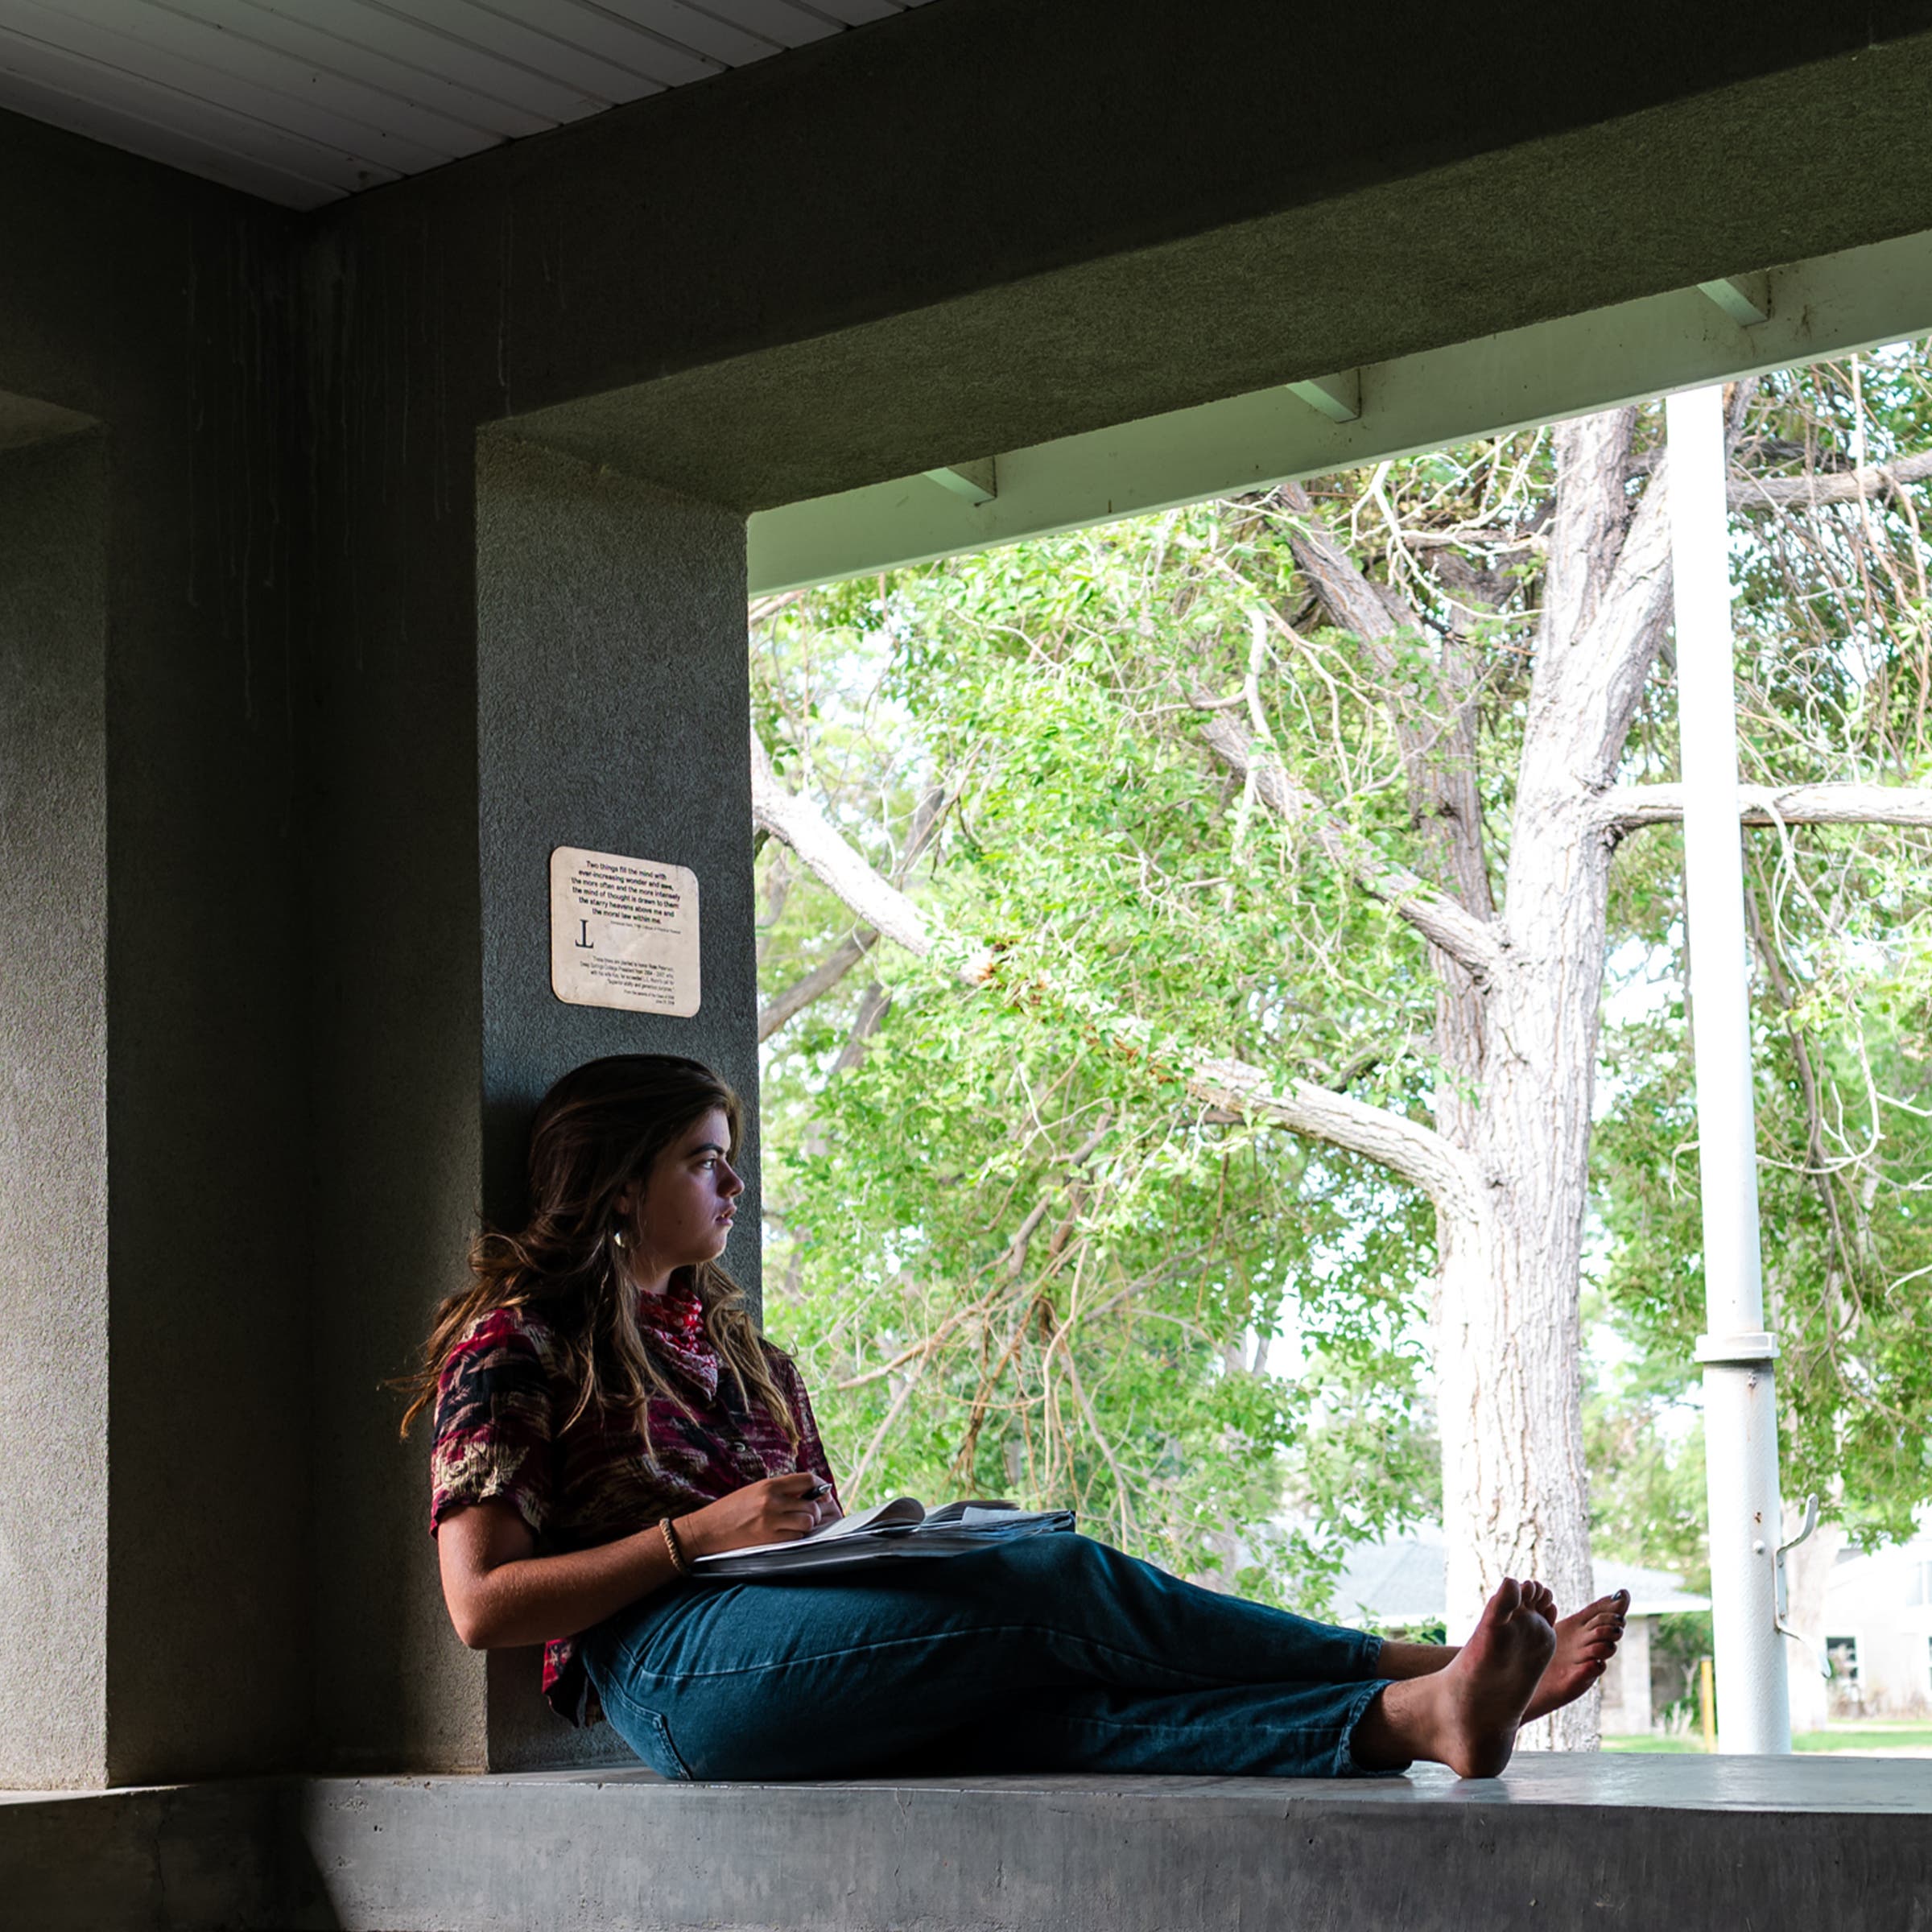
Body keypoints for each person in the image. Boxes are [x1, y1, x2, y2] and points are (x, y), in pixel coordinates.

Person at [401, 1054, 1626, 1783]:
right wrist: (697, 1539)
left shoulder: (746, 1352)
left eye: (731, 1160)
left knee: (1058, 1704)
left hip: (782, 1634)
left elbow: (801, 1537)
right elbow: (479, 1608)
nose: (734, 1184)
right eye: (705, 1160)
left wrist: (856, 1537)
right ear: (622, 1183)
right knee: (1049, 1581)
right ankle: (1417, 1663)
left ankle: (1409, 1719)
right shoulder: (519, 1342)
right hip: (667, 1670)